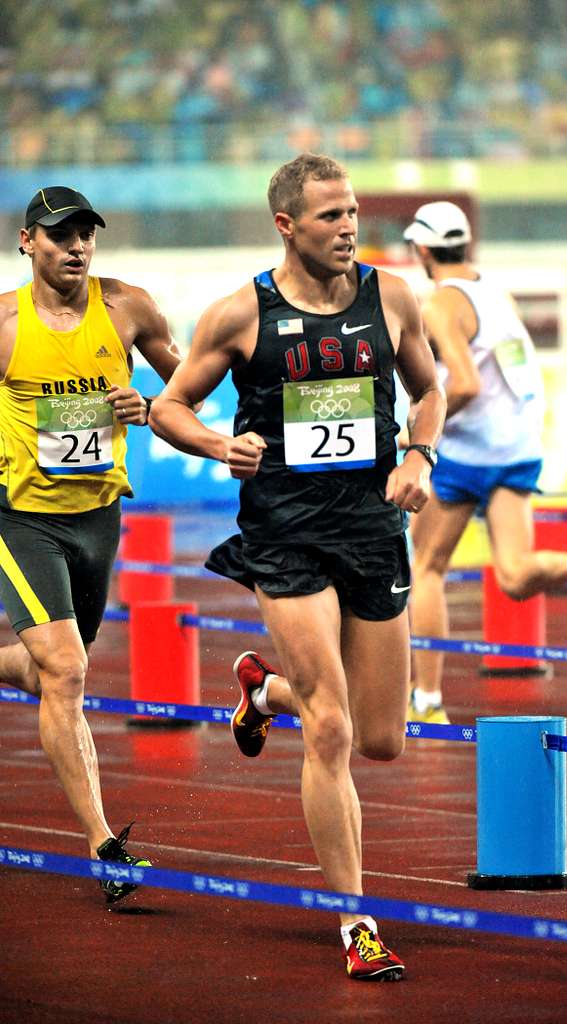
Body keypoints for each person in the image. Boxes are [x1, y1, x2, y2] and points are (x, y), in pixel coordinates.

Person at [149, 153, 445, 979]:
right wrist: (217, 442)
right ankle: (356, 923)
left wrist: (418, 454)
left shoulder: (392, 297)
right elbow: (169, 406)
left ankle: (259, 688)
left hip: (371, 527)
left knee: (383, 738)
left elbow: (431, 387)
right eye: (329, 216)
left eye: (351, 212)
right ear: (286, 224)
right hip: (284, 534)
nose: (348, 226)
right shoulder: (242, 312)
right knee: (334, 728)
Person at [0, 186, 185, 901]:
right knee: (69, 669)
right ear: (27, 243)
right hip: (23, 519)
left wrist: (153, 408)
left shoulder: (127, 308)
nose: (75, 246)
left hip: (98, 516)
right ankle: (105, 845)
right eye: (58, 235)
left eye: (85, 234)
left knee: (49, 673)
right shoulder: (9, 324)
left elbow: (189, 388)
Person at [401, 201, 567, 725]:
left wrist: (419, 432)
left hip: (465, 452)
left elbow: (464, 383)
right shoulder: (495, 292)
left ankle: (429, 700)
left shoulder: (442, 302)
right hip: (516, 447)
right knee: (512, 574)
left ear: (421, 249)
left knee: (428, 569)